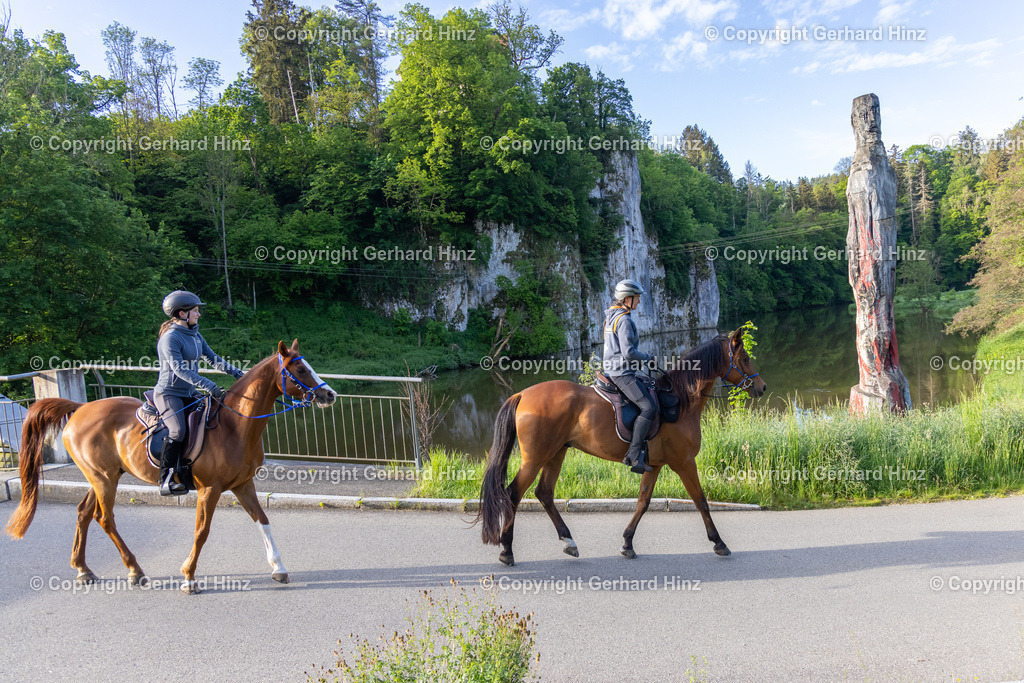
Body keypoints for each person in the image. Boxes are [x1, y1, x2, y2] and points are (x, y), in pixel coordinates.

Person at [154, 290, 244, 495]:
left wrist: (239, 374)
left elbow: (212, 358)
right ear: (181, 313)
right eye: (195, 311)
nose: (198, 314)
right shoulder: (170, 339)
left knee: (214, 418)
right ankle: (166, 477)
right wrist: (208, 384)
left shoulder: (195, 335)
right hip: (169, 394)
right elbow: (179, 369)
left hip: (188, 392)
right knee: (177, 431)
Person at [603, 279, 655, 474]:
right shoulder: (624, 320)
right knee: (649, 407)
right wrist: (648, 358)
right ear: (627, 299)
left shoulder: (611, 316)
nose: (639, 302)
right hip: (622, 373)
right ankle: (633, 455)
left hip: (612, 369)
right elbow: (628, 352)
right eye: (637, 298)